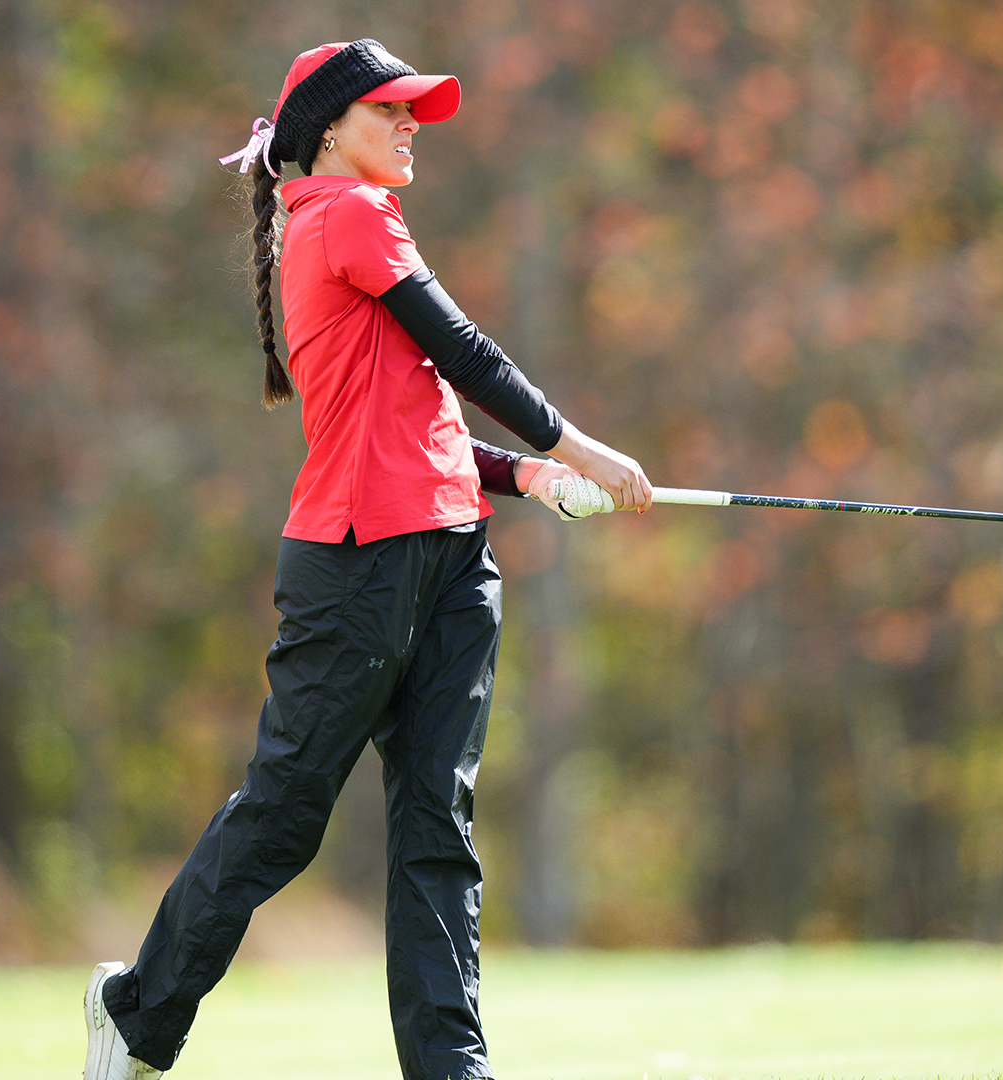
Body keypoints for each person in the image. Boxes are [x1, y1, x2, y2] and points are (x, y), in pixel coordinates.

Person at [82, 38, 651, 1080]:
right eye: (392, 109)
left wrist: (528, 481)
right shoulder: (343, 214)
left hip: (450, 557)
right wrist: (580, 447)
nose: (411, 126)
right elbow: (468, 352)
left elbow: (419, 412)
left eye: (414, 111)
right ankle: (137, 1010)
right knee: (288, 812)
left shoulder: (359, 220)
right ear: (330, 130)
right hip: (356, 569)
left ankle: (450, 1068)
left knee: (438, 820)